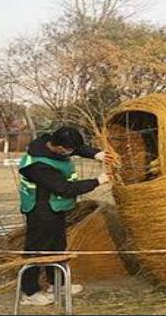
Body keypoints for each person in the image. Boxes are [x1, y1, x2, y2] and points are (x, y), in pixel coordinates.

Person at [18, 126, 116, 306]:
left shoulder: (51, 143)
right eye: (70, 150)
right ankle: (29, 292)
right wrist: (97, 181)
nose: (73, 153)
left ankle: (57, 284)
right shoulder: (38, 166)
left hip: (54, 207)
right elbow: (66, 189)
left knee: (57, 245)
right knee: (37, 248)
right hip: (40, 208)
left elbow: (77, 148)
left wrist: (96, 154)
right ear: (60, 148)